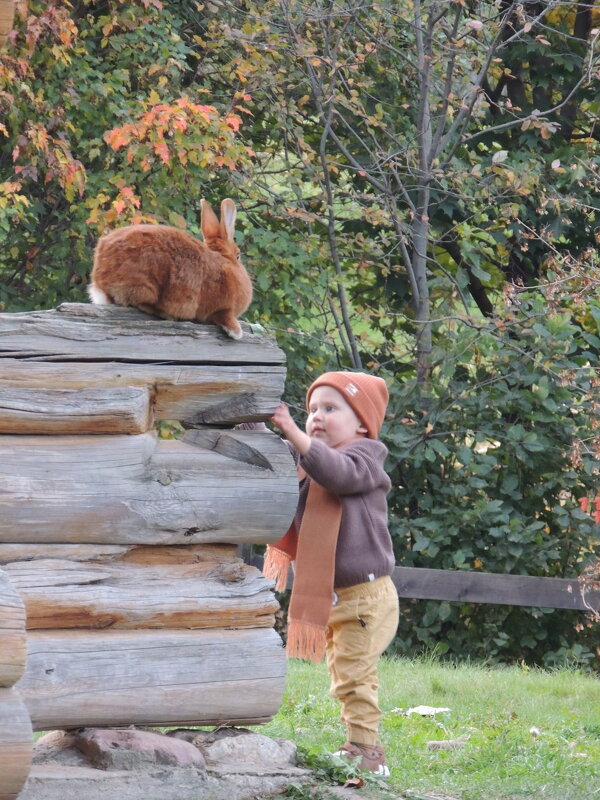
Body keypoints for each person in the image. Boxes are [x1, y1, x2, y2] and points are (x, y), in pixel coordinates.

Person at [263, 371, 399, 777]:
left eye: (330, 408)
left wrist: (292, 430)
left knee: (356, 677)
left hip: (366, 598)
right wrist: (257, 424)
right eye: (311, 410)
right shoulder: (312, 461)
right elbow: (284, 456)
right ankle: (358, 744)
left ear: (361, 422)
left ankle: (369, 754)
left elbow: (337, 473)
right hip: (336, 598)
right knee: (343, 676)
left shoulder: (366, 459)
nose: (316, 417)